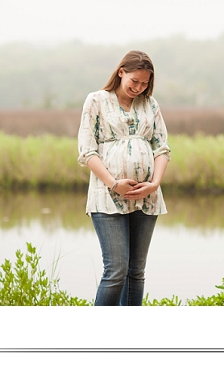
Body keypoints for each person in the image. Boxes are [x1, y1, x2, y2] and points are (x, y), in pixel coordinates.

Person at [77, 50, 170, 306]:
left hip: (146, 196)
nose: (138, 88)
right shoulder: (96, 101)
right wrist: (114, 184)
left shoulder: (150, 105)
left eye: (144, 83)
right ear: (121, 72)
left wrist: (154, 183)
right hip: (108, 196)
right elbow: (87, 151)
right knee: (116, 271)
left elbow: (162, 148)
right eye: (134, 81)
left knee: (136, 273)